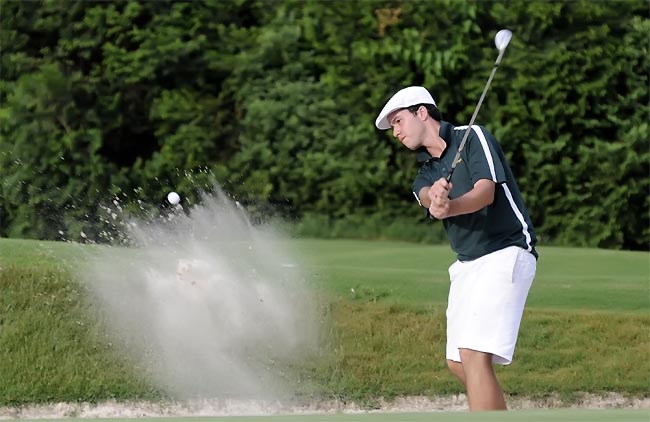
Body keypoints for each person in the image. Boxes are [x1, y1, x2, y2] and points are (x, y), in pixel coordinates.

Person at [375, 86, 538, 411]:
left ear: (422, 112)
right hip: (467, 265)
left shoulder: (473, 136)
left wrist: (450, 207)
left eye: (398, 122)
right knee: (459, 362)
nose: (395, 132)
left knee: (474, 356)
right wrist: (435, 201)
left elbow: (486, 192)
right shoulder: (424, 173)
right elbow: (426, 199)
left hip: (506, 250)